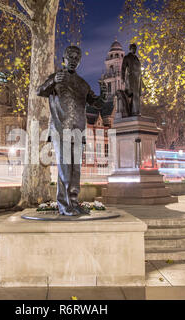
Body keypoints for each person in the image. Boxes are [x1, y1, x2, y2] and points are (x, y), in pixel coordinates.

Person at [37, 46, 107, 216]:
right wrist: (52, 81)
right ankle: (64, 204)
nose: (74, 60)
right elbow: (40, 91)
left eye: (77, 57)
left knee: (76, 170)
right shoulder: (58, 77)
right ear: (64, 58)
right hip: (60, 130)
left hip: (78, 132)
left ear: (79, 60)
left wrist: (103, 95)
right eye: (71, 57)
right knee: (65, 168)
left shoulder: (83, 84)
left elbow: (96, 103)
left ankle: (73, 202)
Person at [121, 43, 143, 115]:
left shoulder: (137, 58)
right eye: (133, 48)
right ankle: (134, 111)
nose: (134, 50)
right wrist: (122, 78)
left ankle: (135, 111)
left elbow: (140, 70)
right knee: (132, 94)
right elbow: (123, 68)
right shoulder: (127, 57)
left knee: (137, 95)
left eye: (135, 48)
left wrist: (142, 82)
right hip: (131, 78)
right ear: (130, 49)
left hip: (138, 79)